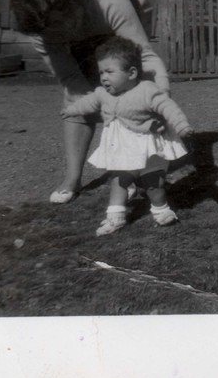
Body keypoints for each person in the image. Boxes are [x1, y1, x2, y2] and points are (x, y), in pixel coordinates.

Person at [10, 0, 170, 204]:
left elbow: (145, 57)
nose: (52, 36)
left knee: (128, 85)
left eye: (56, 29)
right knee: (77, 98)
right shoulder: (40, 26)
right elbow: (72, 80)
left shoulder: (109, 0)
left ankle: (136, 169)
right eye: (47, 32)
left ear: (70, 9)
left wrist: (159, 98)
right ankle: (72, 178)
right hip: (81, 16)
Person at [61, 36, 194, 236]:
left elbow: (168, 107)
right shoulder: (102, 93)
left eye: (110, 72)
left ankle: (161, 209)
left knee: (153, 183)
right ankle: (116, 217)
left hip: (146, 147)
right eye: (101, 72)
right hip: (121, 146)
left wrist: (181, 125)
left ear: (131, 73)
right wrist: (72, 110)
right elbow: (88, 103)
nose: (104, 77)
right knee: (120, 180)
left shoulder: (147, 90)